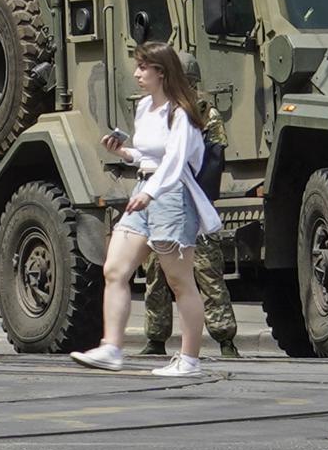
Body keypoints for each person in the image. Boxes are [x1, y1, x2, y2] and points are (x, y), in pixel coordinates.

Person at [70, 42, 222, 377]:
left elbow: (176, 160)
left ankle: (189, 360)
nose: (137, 74)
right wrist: (124, 153)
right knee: (114, 269)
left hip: (171, 195)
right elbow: (149, 155)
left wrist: (150, 193)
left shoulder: (181, 112)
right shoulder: (143, 108)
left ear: (161, 72)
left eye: (143, 68)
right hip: (145, 189)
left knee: (179, 281)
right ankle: (111, 347)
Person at [142, 96, 239, 358]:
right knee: (157, 273)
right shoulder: (155, 108)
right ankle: (155, 338)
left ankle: (224, 338)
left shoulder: (203, 112)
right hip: (163, 201)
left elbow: (214, 159)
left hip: (191, 198)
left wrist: (200, 196)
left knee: (207, 272)